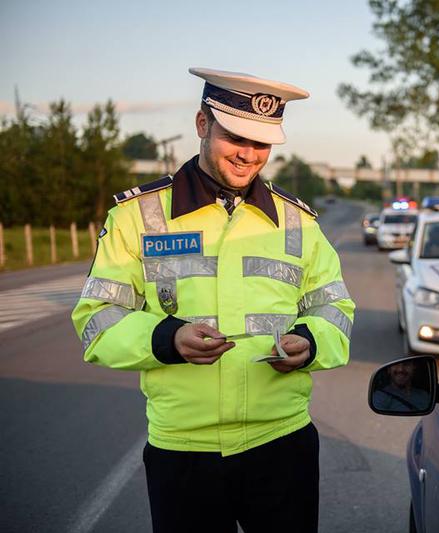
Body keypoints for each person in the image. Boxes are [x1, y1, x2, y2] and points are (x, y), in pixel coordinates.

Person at [71, 67, 355, 533]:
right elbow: (96, 319)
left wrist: (311, 341)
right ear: (202, 124)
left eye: (261, 144)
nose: (248, 155)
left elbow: (334, 308)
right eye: (235, 136)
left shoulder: (300, 222)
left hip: (282, 443)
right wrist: (168, 339)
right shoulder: (136, 217)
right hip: (183, 451)